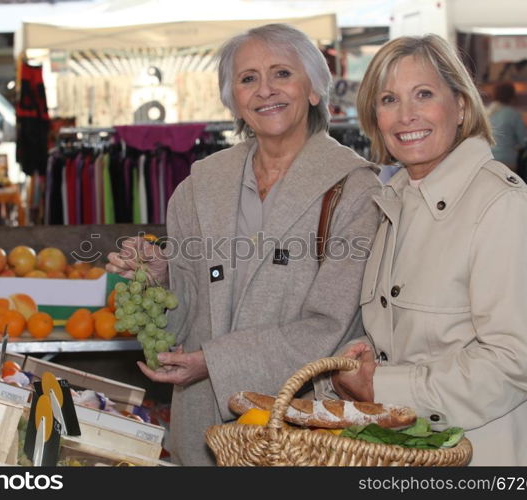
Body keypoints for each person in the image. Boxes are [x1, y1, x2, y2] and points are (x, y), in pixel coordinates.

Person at [105, 23, 381, 465]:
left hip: (297, 431)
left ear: (314, 90)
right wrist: (163, 276)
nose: (265, 90)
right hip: (201, 426)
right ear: (233, 98)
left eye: (282, 74)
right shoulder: (198, 186)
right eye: (248, 78)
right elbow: (188, 308)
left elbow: (332, 325)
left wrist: (213, 363)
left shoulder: (353, 190)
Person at [328, 34, 527, 466]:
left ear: (462, 106)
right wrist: (369, 359)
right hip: (410, 450)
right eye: (388, 99)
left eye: (424, 94)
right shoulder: (398, 200)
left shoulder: (500, 206)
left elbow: (512, 364)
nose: (406, 115)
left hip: (486, 454)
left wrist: (383, 387)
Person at [487, 82, 527, 171]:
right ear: (512, 96)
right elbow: (523, 142)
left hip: (487, 160)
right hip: (507, 161)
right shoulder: (513, 114)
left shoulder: (486, 112)